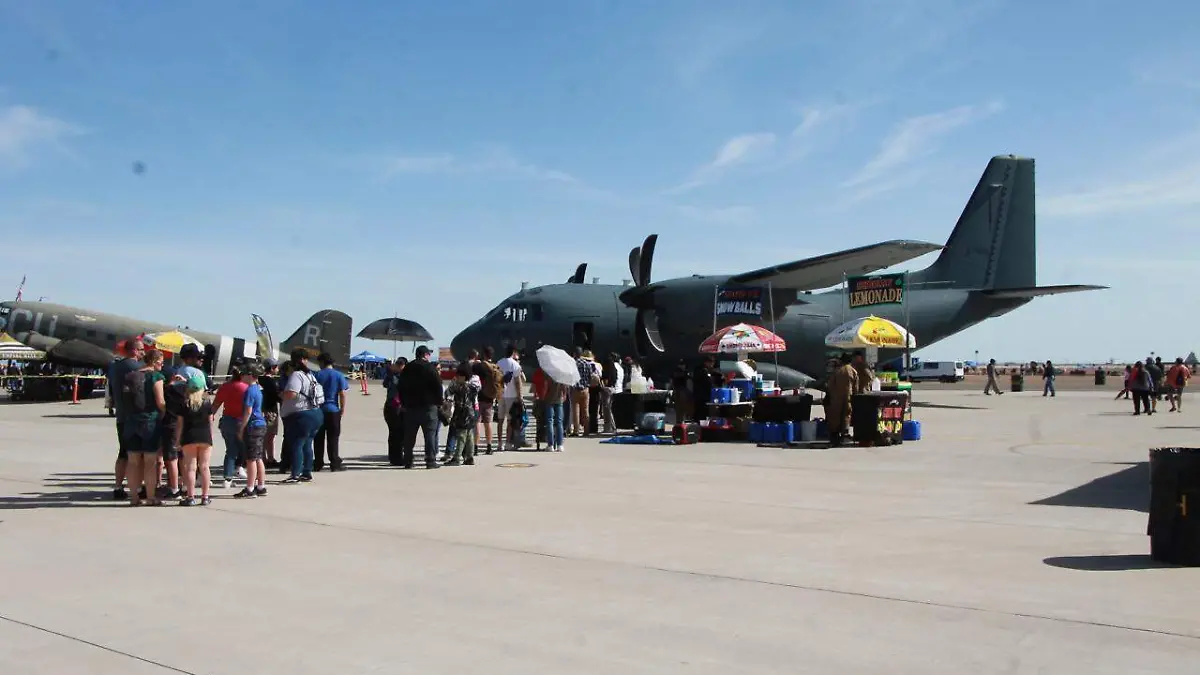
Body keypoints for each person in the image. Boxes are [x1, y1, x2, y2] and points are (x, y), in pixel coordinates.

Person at [122, 349, 167, 506]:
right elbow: (160, 401)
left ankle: (134, 498)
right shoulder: (156, 376)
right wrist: (166, 413)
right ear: (154, 362)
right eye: (161, 362)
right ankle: (150, 497)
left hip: (131, 422)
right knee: (150, 461)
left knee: (133, 461)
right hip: (150, 421)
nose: (162, 365)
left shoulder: (131, 375)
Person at [280, 348, 325, 483]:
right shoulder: (310, 375)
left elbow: (292, 393)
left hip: (301, 415)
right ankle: (307, 471)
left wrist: (281, 394)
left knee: (297, 444)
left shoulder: (296, 375)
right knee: (307, 444)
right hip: (316, 413)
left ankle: (296, 474)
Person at [107, 338, 145, 500]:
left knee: (123, 452)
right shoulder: (136, 367)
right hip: (135, 416)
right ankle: (138, 486)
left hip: (121, 415)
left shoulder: (115, 367)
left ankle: (118, 486)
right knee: (137, 454)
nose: (143, 352)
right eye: (141, 349)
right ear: (134, 350)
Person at [398, 345, 444, 469]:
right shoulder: (430, 368)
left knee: (409, 435)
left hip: (411, 406)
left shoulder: (408, 368)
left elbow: (400, 386)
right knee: (429, 434)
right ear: (425, 355)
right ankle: (430, 461)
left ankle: (408, 460)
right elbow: (438, 386)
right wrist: (439, 402)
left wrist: (403, 403)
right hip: (429, 407)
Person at [175, 370, 215, 506]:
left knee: (190, 468)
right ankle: (205, 496)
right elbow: (210, 422)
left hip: (189, 436)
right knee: (204, 467)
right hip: (205, 437)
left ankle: (190, 496)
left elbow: (180, 424)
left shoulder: (184, 404)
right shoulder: (207, 403)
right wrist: (211, 437)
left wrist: (177, 439)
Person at [210, 364, 249, 488]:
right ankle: (240, 467)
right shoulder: (246, 388)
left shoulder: (225, 387)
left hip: (227, 421)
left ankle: (227, 478)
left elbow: (216, 404)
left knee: (230, 450)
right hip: (241, 421)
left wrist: (210, 415)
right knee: (244, 448)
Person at [236, 361, 269, 498]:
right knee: (258, 457)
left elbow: (248, 411)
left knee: (251, 459)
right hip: (261, 425)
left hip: (253, 425)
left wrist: (241, 428)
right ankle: (260, 485)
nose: (241, 376)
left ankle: (250, 488)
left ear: (250, 375)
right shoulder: (258, 389)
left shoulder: (250, 390)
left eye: (243, 374)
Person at [313, 352, 350, 472]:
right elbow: (342, 393)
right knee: (333, 438)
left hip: (319, 409)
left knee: (318, 438)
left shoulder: (317, 374)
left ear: (322, 362)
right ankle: (334, 462)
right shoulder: (339, 375)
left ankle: (318, 462)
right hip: (333, 409)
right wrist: (342, 408)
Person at [443, 362, 480, 465]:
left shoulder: (460, 387)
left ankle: (457, 457)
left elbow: (448, 392)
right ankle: (469, 457)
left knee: (461, 436)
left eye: (458, 375)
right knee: (469, 436)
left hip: (462, 414)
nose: (457, 377)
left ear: (463, 376)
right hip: (472, 413)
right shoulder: (473, 386)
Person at [824, 353, 858, 446]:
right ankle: (845, 434)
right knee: (846, 415)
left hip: (836, 397)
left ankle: (834, 436)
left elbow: (830, 385)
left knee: (835, 416)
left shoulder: (837, 371)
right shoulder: (853, 371)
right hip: (848, 397)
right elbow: (856, 387)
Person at [496, 345, 524, 451]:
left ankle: (499, 443)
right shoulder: (515, 364)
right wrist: (520, 396)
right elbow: (518, 382)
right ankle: (507, 443)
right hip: (511, 395)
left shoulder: (499, 363)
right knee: (510, 420)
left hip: (501, 394)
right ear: (513, 353)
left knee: (500, 420)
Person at [382, 357, 408, 465]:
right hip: (393, 406)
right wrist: (390, 373)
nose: (400, 367)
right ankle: (395, 458)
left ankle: (395, 456)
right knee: (396, 433)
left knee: (397, 434)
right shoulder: (394, 376)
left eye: (401, 365)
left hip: (397, 406)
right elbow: (386, 384)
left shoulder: (404, 376)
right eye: (398, 365)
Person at [260, 358, 282, 467]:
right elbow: (277, 396)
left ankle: (264, 457)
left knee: (264, 435)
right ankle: (269, 458)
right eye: (277, 367)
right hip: (270, 410)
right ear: (272, 368)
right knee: (269, 435)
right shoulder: (270, 381)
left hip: (262, 409)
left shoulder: (260, 379)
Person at [571, 347, 597, 436]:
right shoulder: (587, 364)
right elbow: (591, 376)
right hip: (585, 389)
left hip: (575, 389)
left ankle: (576, 431)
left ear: (575, 354)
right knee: (585, 411)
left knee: (576, 411)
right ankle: (586, 431)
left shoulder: (573, 364)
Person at [543, 368, 567, 452]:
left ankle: (550, 445)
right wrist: (564, 395)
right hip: (559, 399)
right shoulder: (561, 375)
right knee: (559, 422)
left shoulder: (548, 374)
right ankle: (560, 444)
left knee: (550, 421)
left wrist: (543, 396)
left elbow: (545, 387)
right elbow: (564, 388)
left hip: (549, 399)